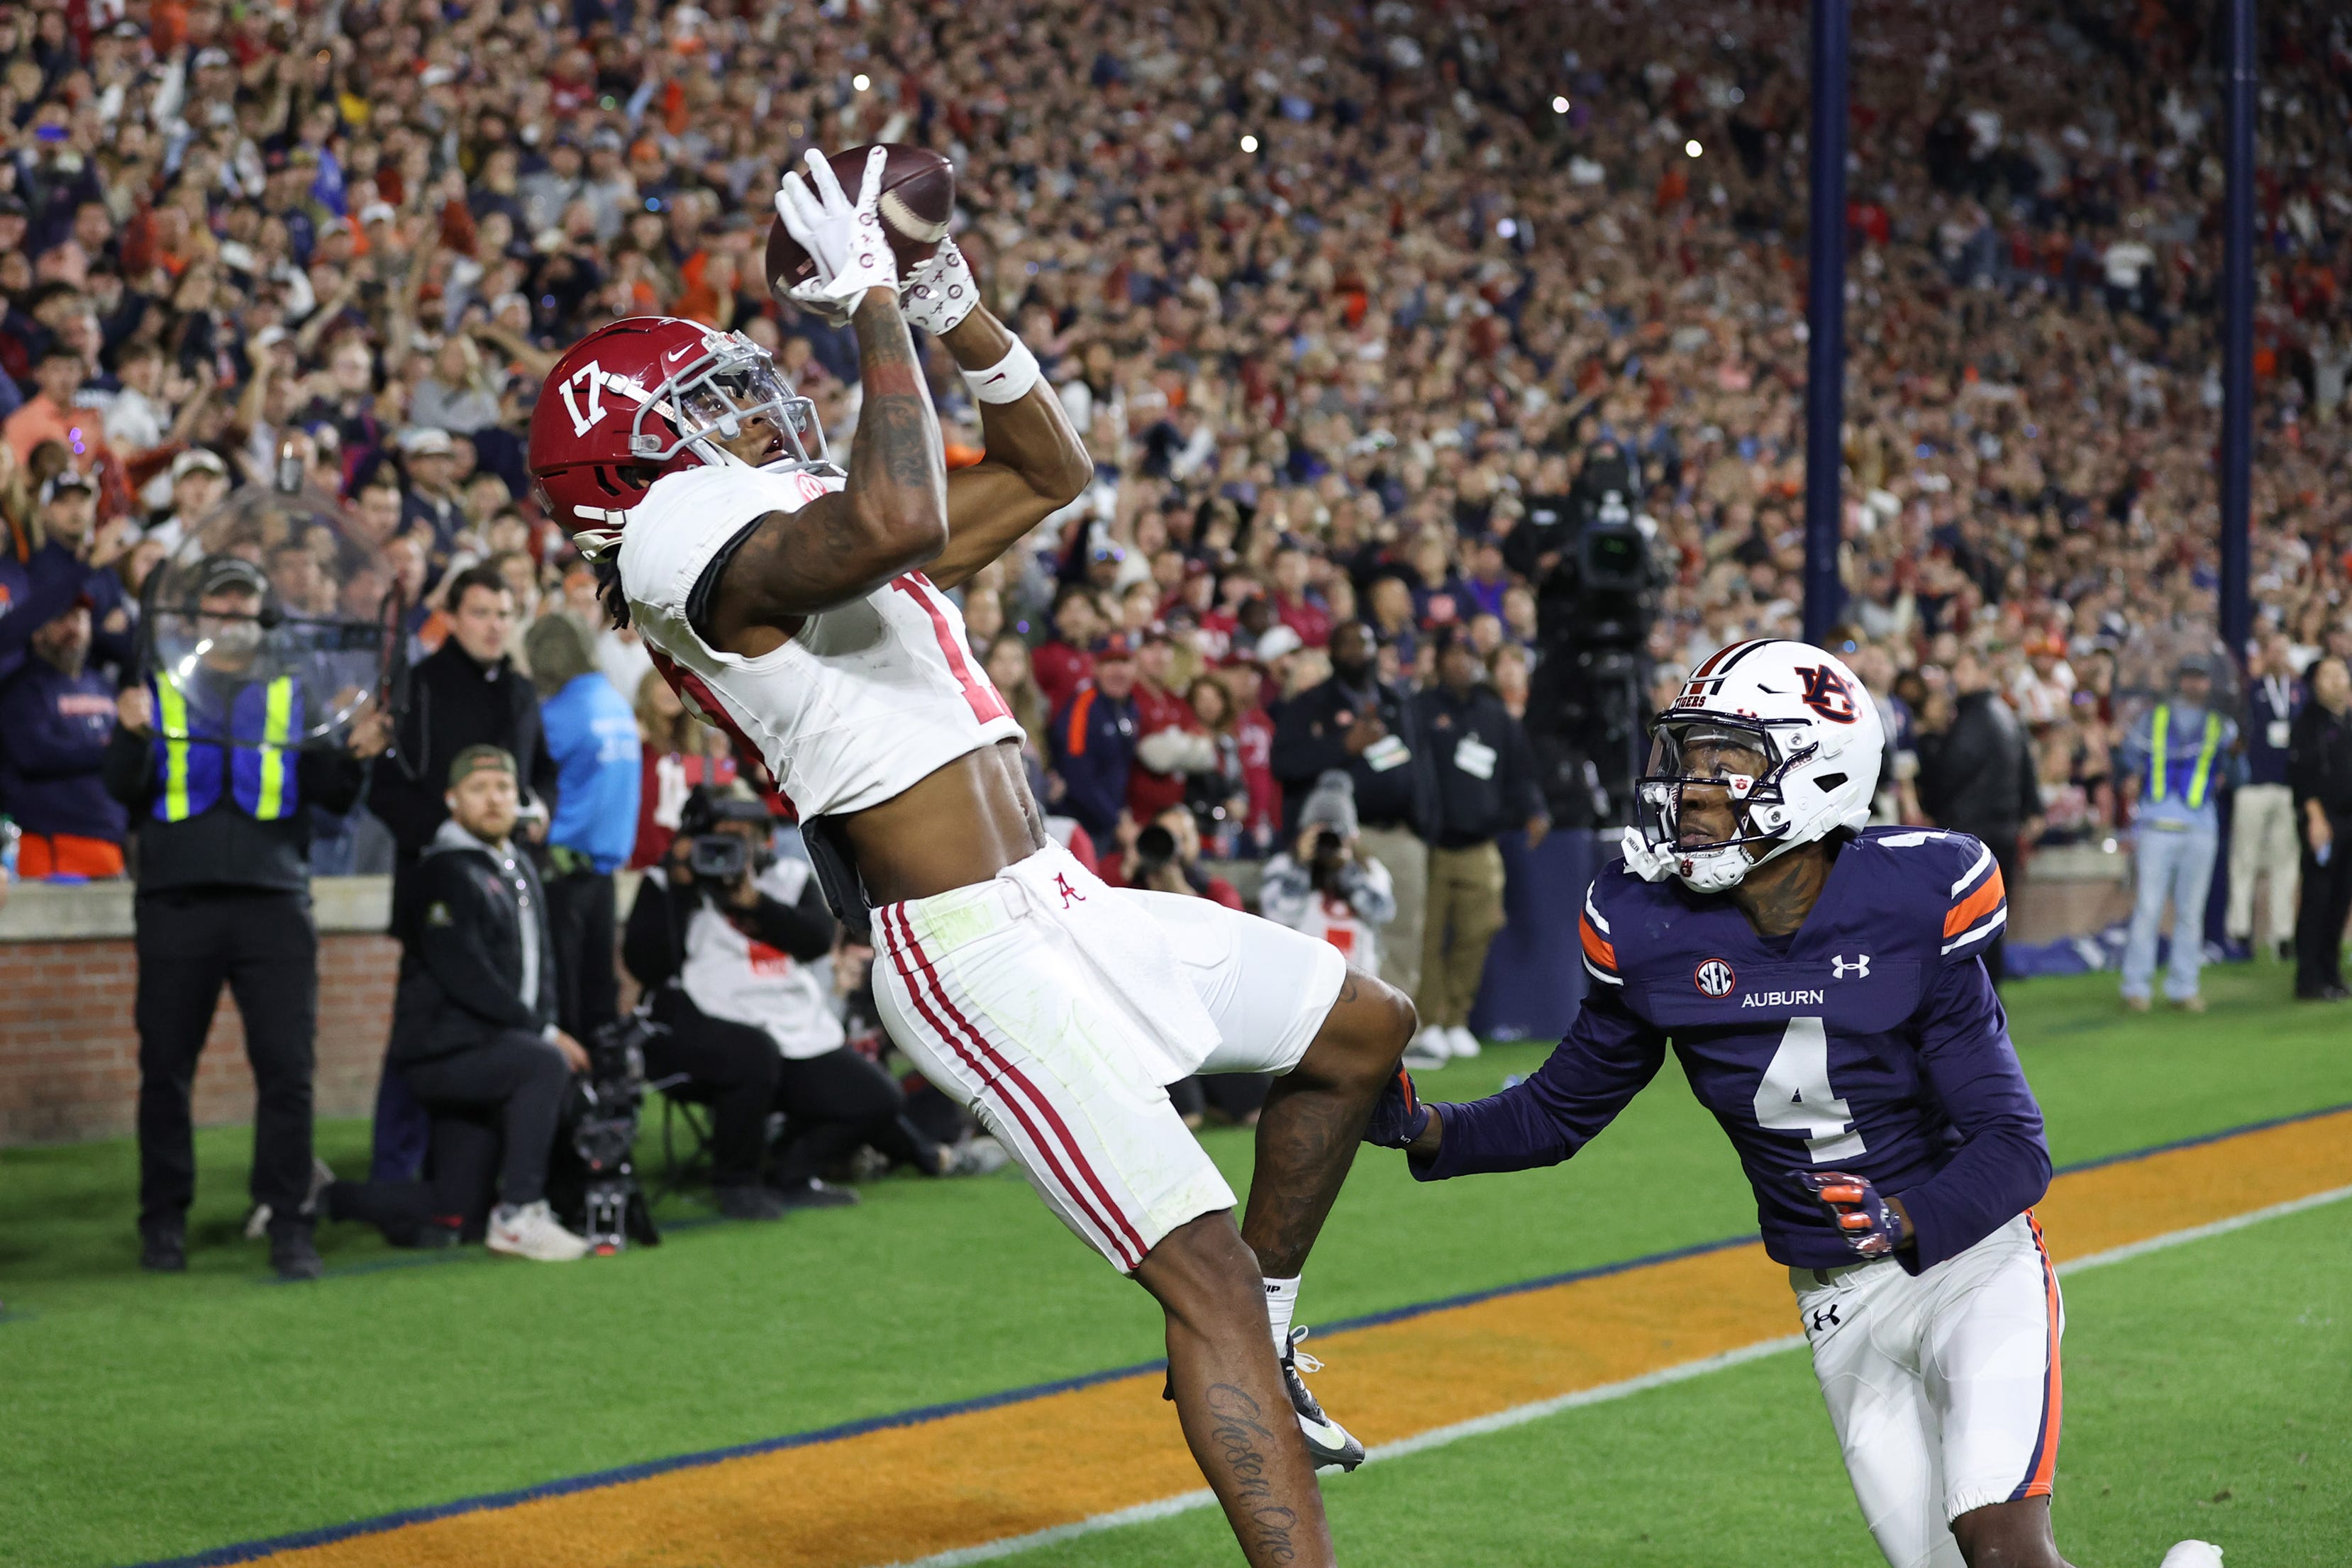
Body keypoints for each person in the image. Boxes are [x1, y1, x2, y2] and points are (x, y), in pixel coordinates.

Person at [527, 152, 1414, 1567]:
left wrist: (949, 300)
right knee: (1201, 1274)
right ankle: (1247, 1365)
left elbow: (1048, 471)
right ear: (630, 471)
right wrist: (874, 302)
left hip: (1055, 897)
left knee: (1363, 1027)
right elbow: (900, 517)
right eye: (698, 413)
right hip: (966, 952)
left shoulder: (776, 534)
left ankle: (1265, 1334)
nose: (744, 418)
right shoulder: (676, 545)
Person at [1363, 639, 2208, 1568]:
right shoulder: (1651, 923)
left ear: (1819, 771)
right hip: (1836, 1298)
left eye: (1727, 760)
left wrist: (1900, 1214)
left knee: (1999, 1543)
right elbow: (1559, 1108)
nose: (1693, 786)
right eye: (1689, 759)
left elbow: (2016, 1144)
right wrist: (1424, 1123)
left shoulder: (1911, 897)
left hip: (1967, 1262)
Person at [102, 555, 391, 1280]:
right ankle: (162, 1221)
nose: (231, 615)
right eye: (219, 603)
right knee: (165, 1069)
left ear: (261, 618)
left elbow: (328, 793)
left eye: (244, 603)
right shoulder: (158, 688)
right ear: (195, 617)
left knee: (288, 1071)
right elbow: (121, 789)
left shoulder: (295, 693)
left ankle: (289, 1220)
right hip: (177, 902)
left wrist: (355, 753)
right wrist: (130, 733)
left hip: (274, 904)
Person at [622, 783, 1005, 1218]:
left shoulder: (786, 879)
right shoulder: (666, 885)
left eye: (748, 835)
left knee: (875, 1096)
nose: (737, 847)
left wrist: (755, 904)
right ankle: (736, 1182)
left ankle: (790, 1172)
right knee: (752, 1054)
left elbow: (816, 941)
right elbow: (646, 966)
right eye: (723, 836)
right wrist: (679, 886)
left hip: (791, 1025)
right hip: (711, 1028)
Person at [364, 562, 560, 1181]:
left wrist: (542, 805)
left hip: (513, 885)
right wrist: (451, 845)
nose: (495, 625)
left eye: (505, 613)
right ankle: (396, 1167)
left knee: (503, 1026)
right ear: (451, 617)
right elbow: (386, 789)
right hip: (438, 891)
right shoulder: (418, 685)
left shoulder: (522, 689)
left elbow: (543, 768)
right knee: (422, 1031)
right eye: (481, 612)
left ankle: (477, 1166)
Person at [385, 745, 593, 1261]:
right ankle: (521, 1210)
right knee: (543, 1065)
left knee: (454, 1208)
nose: (494, 799)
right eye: (479, 790)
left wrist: (542, 1022)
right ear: (453, 801)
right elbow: (465, 975)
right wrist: (544, 1033)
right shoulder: (441, 871)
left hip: (490, 1044)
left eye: (503, 788)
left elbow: (540, 965)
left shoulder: (517, 863)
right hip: (444, 1051)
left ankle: (323, 1195)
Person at [1270, 619, 1438, 999]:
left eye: (1363, 643)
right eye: (1346, 644)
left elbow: (1421, 769)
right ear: (1331, 652)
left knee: (1402, 931)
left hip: (1398, 833)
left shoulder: (1396, 702)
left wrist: (1423, 824)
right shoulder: (1308, 704)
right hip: (1335, 839)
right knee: (1323, 930)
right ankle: (1319, 1022)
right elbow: (1285, 763)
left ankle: (1395, 1028)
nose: (1356, 651)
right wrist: (1344, 745)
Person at [1409, 628, 1549, 1067]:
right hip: (1427, 845)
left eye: (1467, 654)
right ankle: (1428, 1022)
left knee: (1478, 931)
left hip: (1480, 843)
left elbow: (1522, 772)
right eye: (1451, 653)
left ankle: (1456, 1020)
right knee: (1426, 938)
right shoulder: (1418, 710)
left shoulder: (1495, 715)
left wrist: (1535, 810)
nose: (1460, 662)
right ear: (1436, 661)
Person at [525, 611, 641, 1040]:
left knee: (564, 993)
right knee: (599, 989)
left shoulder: (557, 714)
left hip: (561, 868)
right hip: (603, 870)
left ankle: (570, 1093)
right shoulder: (614, 703)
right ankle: (605, 1088)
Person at [2117, 656, 2243, 1013]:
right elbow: (2128, 758)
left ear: (2208, 684)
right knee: (2148, 908)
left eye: (2200, 678)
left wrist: (2233, 761)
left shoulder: (2223, 726)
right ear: (2179, 681)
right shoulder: (2151, 718)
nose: (2194, 684)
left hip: (2201, 826)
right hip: (2157, 824)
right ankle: (2136, 986)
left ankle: (2183, 986)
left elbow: (2237, 776)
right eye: (2188, 677)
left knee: (2190, 911)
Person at [1916, 651, 2041, 986]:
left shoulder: (1972, 719)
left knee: (1968, 923)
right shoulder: (2007, 715)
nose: (1957, 675)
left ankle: (1974, 997)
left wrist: (1928, 745)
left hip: (1970, 836)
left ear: (1985, 673)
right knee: (1994, 919)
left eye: (1965, 666)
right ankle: (1991, 993)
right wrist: (2032, 808)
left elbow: (1947, 776)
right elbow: (2028, 767)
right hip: (2003, 831)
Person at [0, 597, 127, 878]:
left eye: (79, 619)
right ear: (37, 632)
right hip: (52, 840)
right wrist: (108, 752)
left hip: (110, 842)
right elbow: (34, 754)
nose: (73, 628)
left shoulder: (104, 687)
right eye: (61, 619)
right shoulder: (21, 690)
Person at [1260, 771, 1398, 980]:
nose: (1327, 841)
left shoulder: (1369, 870)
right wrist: (1301, 867)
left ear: (1352, 836)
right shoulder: (1285, 867)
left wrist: (1346, 871)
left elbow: (1382, 913)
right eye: (1319, 833)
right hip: (1301, 978)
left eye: (1335, 833)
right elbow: (1278, 916)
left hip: (1358, 983)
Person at [2229, 635, 2302, 961]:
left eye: (2284, 651)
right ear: (2264, 654)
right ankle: (2239, 929)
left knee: (2285, 862)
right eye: (2274, 650)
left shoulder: (2299, 692)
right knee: (2244, 858)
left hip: (2288, 786)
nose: (2279, 656)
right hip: (2254, 784)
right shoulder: (2251, 691)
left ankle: (2282, 935)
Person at [2286, 656, 2352, 1001]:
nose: (2336, 680)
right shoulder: (2308, 723)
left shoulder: (2349, 721)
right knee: (2318, 897)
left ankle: (2332, 972)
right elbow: (2300, 776)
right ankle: (2309, 978)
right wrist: (2315, 816)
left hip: (2349, 819)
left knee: (2342, 899)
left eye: (2341, 673)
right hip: (2322, 820)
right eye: (2328, 675)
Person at [1048, 631, 1139, 847]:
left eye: (1124, 662)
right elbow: (1077, 776)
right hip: (1081, 827)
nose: (1118, 671)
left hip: (1113, 824)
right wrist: (1115, 821)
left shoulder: (1130, 708)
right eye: (1110, 663)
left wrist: (1123, 815)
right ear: (1096, 668)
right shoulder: (1083, 708)